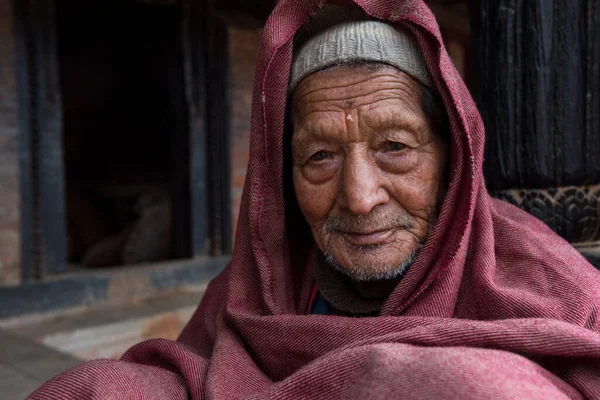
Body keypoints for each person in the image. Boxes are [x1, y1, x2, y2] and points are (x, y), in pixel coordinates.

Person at [28, 0, 600, 398]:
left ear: (451, 159)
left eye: (395, 147)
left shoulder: (550, 288)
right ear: (282, 175)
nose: (358, 197)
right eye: (320, 157)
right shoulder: (262, 285)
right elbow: (192, 377)